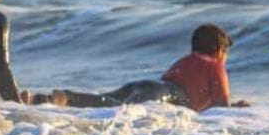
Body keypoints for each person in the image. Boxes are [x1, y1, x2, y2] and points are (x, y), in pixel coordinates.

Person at [22, 24, 249, 112]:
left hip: (148, 86)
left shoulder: (185, 61)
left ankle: (47, 98)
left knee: (103, 101)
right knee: (116, 110)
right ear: (219, 50)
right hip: (164, 95)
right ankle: (53, 98)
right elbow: (221, 108)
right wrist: (236, 109)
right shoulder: (214, 65)